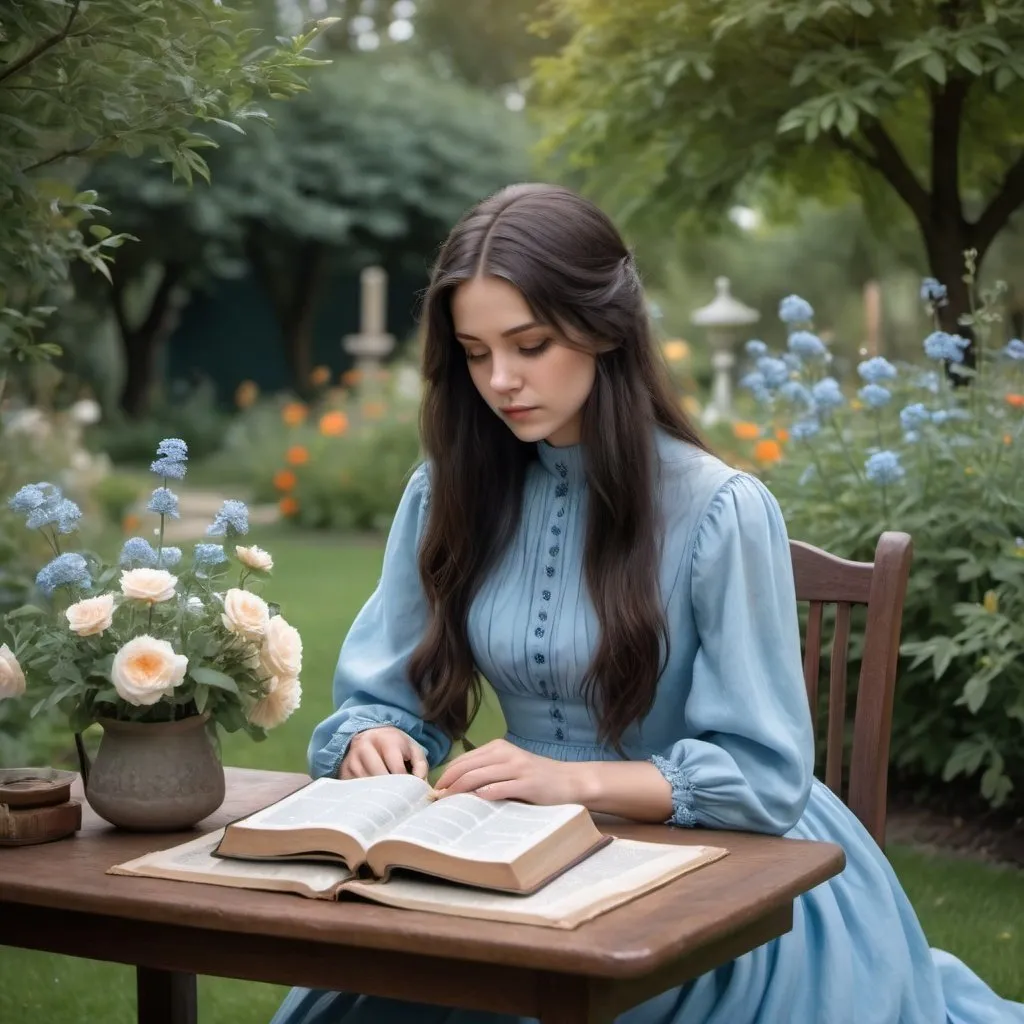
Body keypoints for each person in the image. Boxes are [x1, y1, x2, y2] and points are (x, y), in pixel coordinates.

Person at [270, 183, 1024, 1024]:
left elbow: (767, 778)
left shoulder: (720, 508)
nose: (501, 380)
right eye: (475, 352)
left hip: (720, 871)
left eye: (531, 344)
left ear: (605, 328)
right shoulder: (446, 491)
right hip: (503, 847)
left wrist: (568, 779)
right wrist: (379, 735)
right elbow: (390, 690)